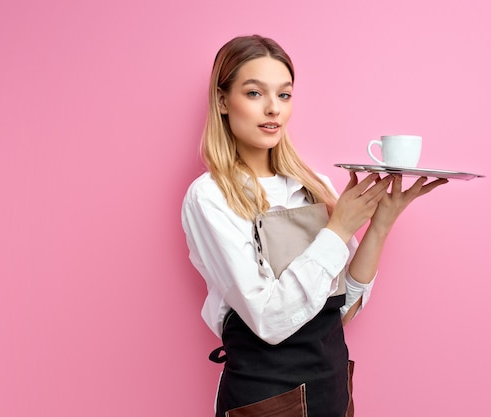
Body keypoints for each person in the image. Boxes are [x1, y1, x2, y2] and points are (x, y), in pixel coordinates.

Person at [181, 34, 448, 417]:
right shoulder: (210, 196)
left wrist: (380, 225)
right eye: (255, 93)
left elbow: (342, 309)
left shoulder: (312, 184)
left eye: (284, 95)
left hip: (331, 390)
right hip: (265, 397)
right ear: (223, 101)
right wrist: (337, 229)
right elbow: (268, 319)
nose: (273, 109)